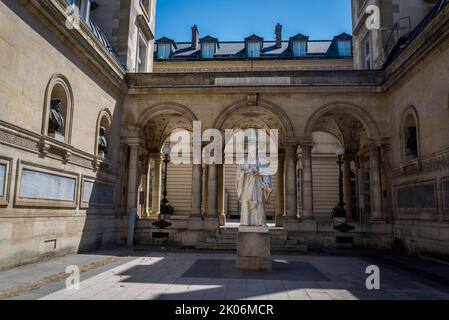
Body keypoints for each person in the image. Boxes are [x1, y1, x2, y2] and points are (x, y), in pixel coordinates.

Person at [236, 143, 272, 227]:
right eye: (251, 151)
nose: (253, 152)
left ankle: (261, 222)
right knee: (246, 202)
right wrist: (248, 171)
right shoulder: (243, 161)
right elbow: (238, 174)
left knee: (259, 203)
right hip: (247, 185)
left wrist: (260, 172)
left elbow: (267, 172)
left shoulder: (262, 161)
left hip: (258, 185)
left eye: (255, 151)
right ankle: (246, 222)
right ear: (248, 151)